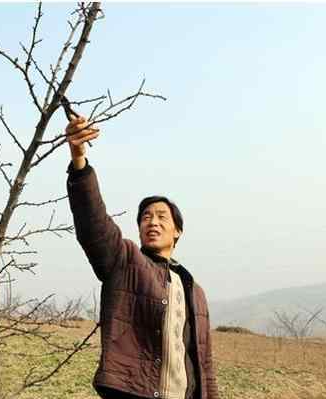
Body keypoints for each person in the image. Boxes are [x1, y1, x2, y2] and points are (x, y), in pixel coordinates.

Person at [65, 115, 220, 399]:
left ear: (178, 231)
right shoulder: (125, 261)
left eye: (162, 217)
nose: (152, 222)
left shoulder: (194, 290)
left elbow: (204, 361)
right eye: (146, 217)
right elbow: (94, 224)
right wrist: (79, 163)